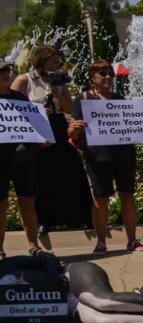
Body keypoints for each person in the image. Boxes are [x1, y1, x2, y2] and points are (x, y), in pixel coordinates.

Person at [12, 44, 91, 238]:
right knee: (40, 175)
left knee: (69, 169)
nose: (58, 64)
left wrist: (57, 93)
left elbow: (68, 108)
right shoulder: (25, 80)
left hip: (57, 126)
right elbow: (10, 107)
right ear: (42, 60)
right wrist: (35, 113)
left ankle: (77, 215)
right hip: (36, 128)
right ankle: (43, 220)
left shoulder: (59, 80)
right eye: (54, 61)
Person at [68, 59, 143, 255]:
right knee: (101, 199)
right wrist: (74, 129)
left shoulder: (120, 100)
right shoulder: (83, 99)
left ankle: (132, 240)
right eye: (102, 73)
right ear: (92, 77)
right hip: (98, 156)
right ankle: (101, 242)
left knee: (127, 195)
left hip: (124, 154)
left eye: (110, 73)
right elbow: (72, 134)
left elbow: (134, 125)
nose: (108, 77)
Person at [0, 254, 143, 323]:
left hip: (72, 274)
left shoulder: (5, 265)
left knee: (103, 302)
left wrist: (53, 275)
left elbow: (45, 258)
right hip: (64, 304)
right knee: (103, 321)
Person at [0, 57, 45, 258]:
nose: (5, 74)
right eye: (1, 71)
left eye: (7, 71)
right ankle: (0, 248)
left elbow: (33, 126)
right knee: (1, 205)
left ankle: (32, 245)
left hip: (23, 157)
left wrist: (41, 137)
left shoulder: (20, 98)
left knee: (27, 202)